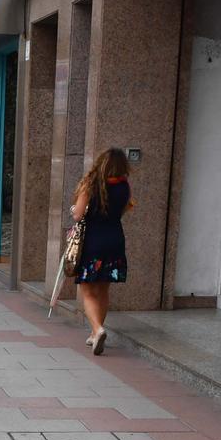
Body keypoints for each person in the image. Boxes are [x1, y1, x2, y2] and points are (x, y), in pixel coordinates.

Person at [69, 148, 132, 354]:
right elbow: (122, 212)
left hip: (92, 242)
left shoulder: (91, 184)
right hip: (115, 240)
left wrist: (76, 210)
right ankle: (94, 333)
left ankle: (97, 329)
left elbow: (78, 215)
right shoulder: (124, 187)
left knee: (87, 290)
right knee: (103, 289)